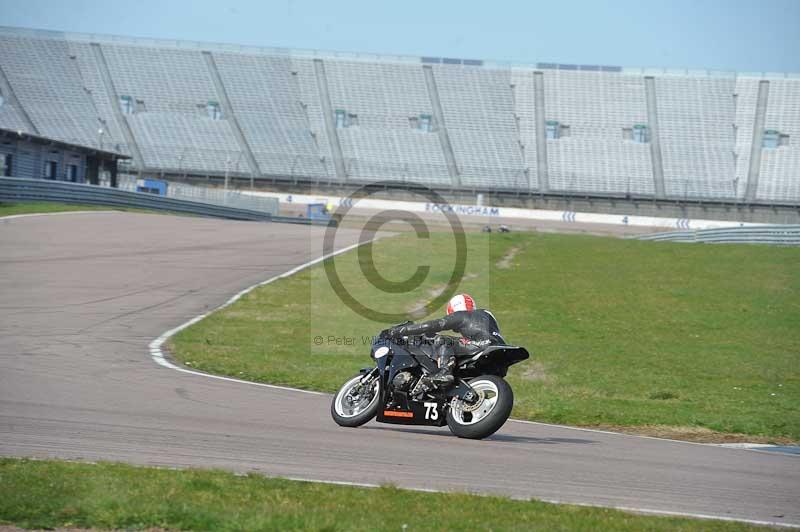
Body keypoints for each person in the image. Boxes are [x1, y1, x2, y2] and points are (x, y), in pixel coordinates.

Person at [384, 294, 505, 389]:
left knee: (443, 340)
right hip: (498, 351)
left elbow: (432, 325)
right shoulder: (485, 314)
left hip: (481, 346)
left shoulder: (461, 315)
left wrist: (400, 331)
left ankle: (444, 372)